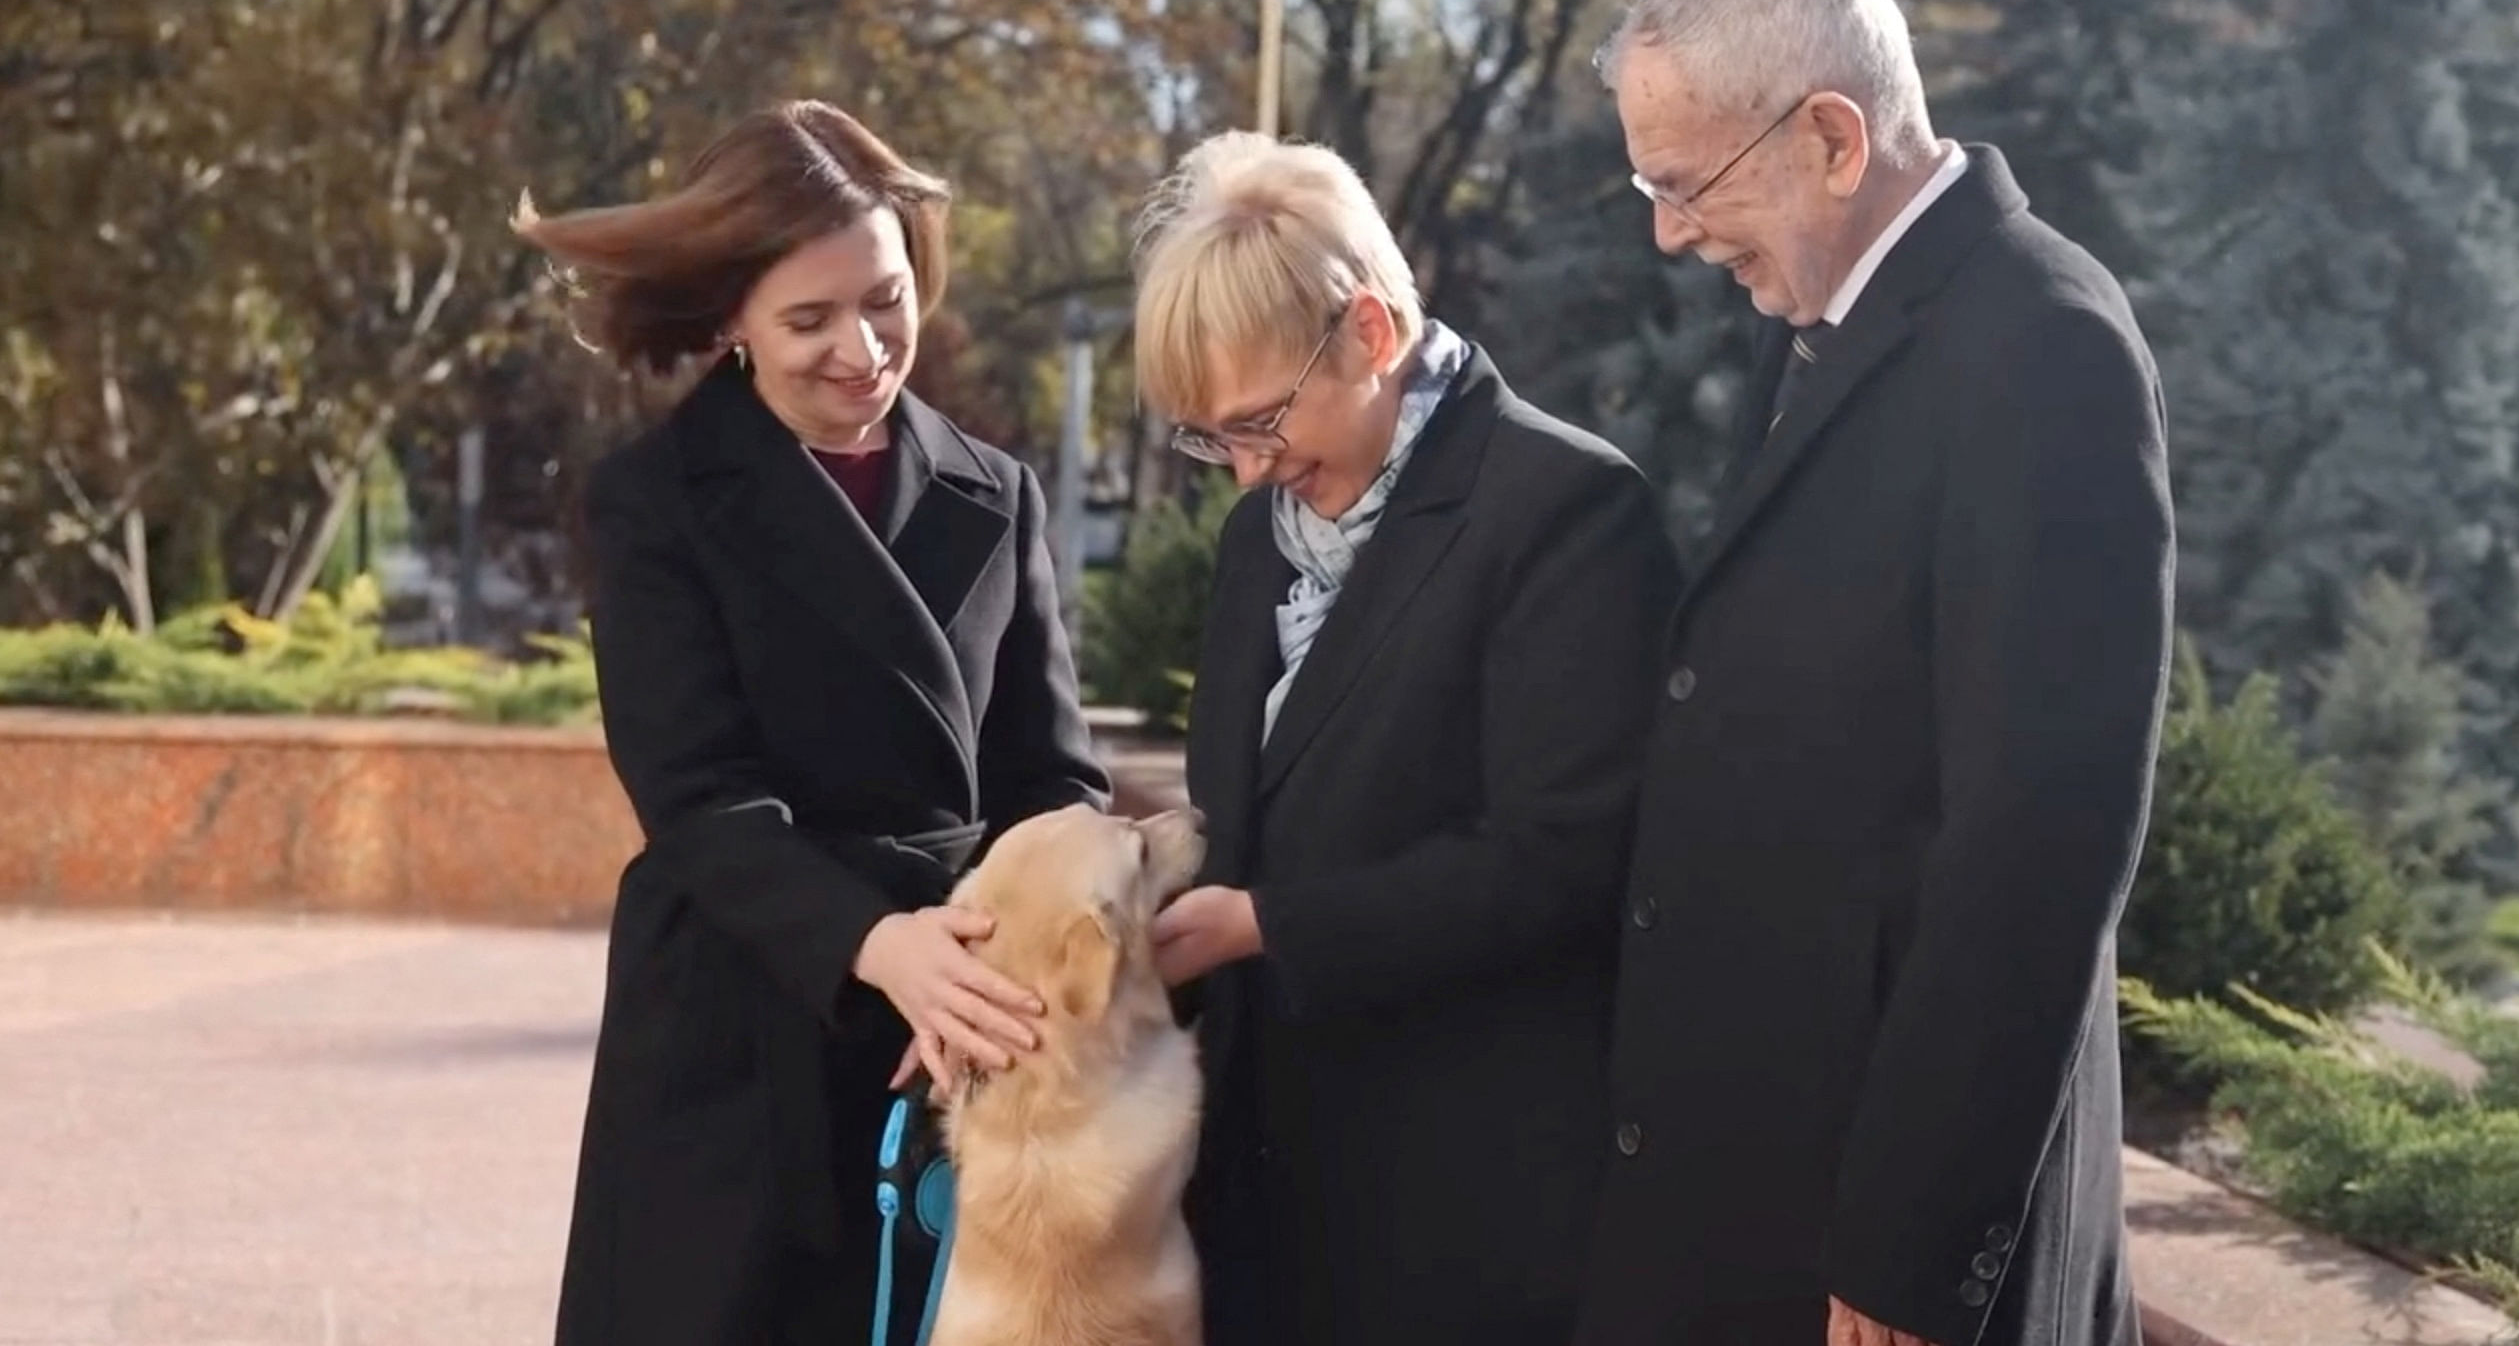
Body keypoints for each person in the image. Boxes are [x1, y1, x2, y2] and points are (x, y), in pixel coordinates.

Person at [1574, 0, 2175, 1346]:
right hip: (1758, 1180)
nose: (1668, 231)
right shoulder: (1834, 311)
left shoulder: (2042, 346)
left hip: (1872, 1251)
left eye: (1686, 183)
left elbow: (2037, 845)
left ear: (1834, 139)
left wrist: (1914, 1248)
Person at [515, 99, 1111, 1345]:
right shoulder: (653, 501)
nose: (862, 347)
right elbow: (695, 793)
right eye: (809, 318)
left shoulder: (995, 494)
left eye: (885, 298)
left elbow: (1053, 781)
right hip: (739, 1036)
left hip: (957, 1034)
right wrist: (876, 944)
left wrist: (993, 968)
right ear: (729, 317)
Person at [1129, 130, 1682, 1346]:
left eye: (1259, 420)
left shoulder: (1566, 511)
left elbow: (1563, 858)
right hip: (1265, 1197)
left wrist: (1267, 924)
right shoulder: (1258, 535)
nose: (1244, 470)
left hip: (1459, 1216)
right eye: (1211, 436)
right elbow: (1249, 806)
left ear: (1370, 334)